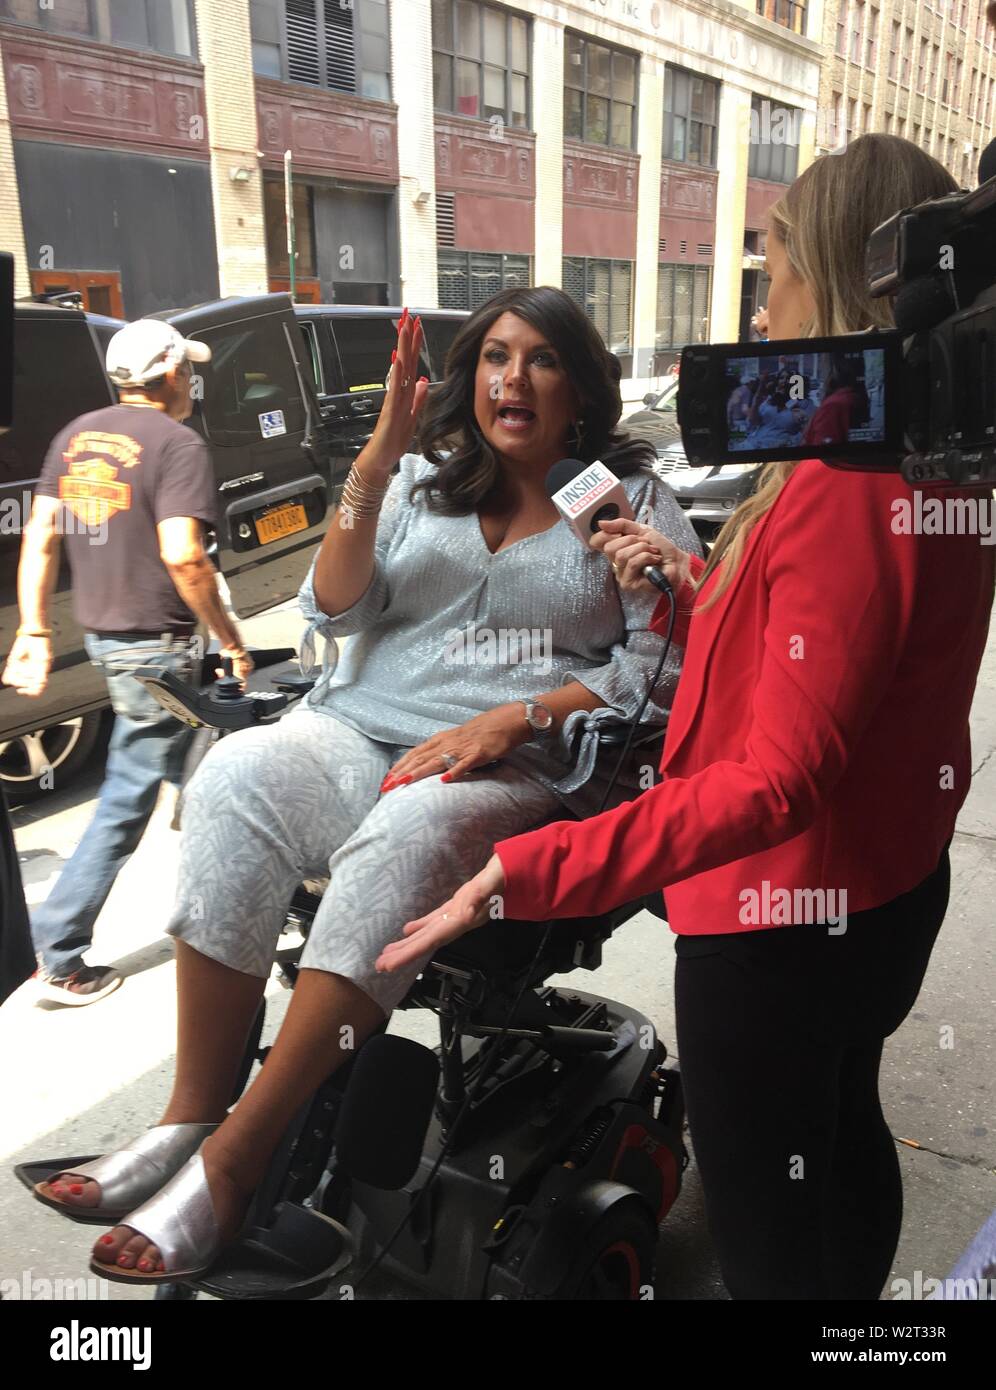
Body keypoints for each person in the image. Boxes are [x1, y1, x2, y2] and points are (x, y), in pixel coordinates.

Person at [378, 135, 996, 1299]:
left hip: (783, 927)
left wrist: (533, 865)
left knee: (770, 1219)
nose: (764, 308)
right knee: (841, 1134)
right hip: (879, 894)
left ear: (841, 277)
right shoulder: (930, 454)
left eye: (778, 270)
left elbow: (778, 777)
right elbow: (853, 663)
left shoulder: (845, 484)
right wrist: (702, 579)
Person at [30, 288, 701, 1281]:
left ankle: (233, 1159)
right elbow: (335, 605)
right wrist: (376, 460)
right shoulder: (419, 481)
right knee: (236, 774)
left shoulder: (619, 501)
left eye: (542, 360)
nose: (512, 378)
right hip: (359, 725)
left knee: (410, 825)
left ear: (582, 389)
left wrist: (515, 715)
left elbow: (662, 670)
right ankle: (187, 1119)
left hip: (516, 762)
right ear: (470, 376)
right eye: (495, 357)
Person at [1, 320, 253, 1006]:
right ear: (171, 373)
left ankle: (240, 901)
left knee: (208, 774)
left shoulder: (75, 438)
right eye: (189, 371)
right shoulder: (177, 444)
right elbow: (183, 555)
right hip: (161, 652)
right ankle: (57, 948)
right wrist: (229, 638)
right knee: (129, 796)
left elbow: (43, 540)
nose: (193, 383)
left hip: (112, 643)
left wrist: (34, 628)